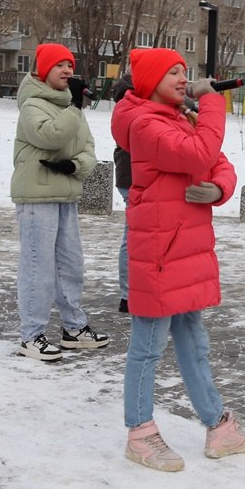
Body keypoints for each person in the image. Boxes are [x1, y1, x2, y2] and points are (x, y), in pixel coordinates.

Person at [111, 48, 245, 472]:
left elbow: (218, 162)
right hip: (160, 252)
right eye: (172, 72)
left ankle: (219, 426)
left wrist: (218, 190)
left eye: (184, 71)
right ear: (149, 81)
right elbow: (198, 155)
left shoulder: (181, 119)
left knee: (195, 341)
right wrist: (213, 100)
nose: (183, 78)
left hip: (186, 250)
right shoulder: (144, 125)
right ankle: (140, 434)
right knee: (148, 345)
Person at [11, 43, 106, 361]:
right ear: (42, 71)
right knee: (38, 266)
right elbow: (49, 136)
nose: (67, 71)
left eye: (70, 65)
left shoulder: (70, 107)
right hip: (37, 197)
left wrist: (74, 166)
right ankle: (32, 335)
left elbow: (89, 148)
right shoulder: (32, 104)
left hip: (65, 193)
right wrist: (75, 109)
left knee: (70, 263)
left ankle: (74, 328)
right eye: (59, 66)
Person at [112, 74, 134, 314]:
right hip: (133, 177)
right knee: (133, 237)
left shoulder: (127, 101)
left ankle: (129, 295)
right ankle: (128, 295)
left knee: (134, 237)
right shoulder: (130, 104)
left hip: (130, 176)